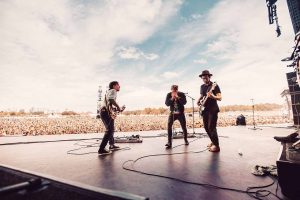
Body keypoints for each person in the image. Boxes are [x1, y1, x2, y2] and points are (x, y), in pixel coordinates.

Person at [197, 70, 222, 152]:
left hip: (213, 109)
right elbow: (202, 95)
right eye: (203, 78)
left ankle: (217, 146)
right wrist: (198, 101)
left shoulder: (214, 85)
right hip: (205, 109)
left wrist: (212, 96)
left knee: (211, 127)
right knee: (206, 127)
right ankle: (213, 142)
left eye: (206, 78)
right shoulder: (202, 86)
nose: (204, 79)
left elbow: (220, 98)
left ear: (209, 77)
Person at [98, 81, 125, 155]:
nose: (119, 86)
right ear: (114, 86)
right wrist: (118, 107)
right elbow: (111, 100)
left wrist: (117, 109)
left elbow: (110, 104)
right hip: (105, 112)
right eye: (118, 85)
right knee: (109, 130)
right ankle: (101, 149)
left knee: (111, 129)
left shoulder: (110, 91)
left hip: (107, 112)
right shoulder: (113, 91)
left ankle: (112, 145)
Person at [165, 85, 189, 149]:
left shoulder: (181, 94)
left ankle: (186, 140)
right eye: (173, 90)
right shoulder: (169, 95)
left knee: (184, 127)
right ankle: (169, 142)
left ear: (177, 89)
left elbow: (184, 102)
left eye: (175, 90)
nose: (174, 91)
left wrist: (178, 97)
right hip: (172, 113)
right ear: (171, 90)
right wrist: (172, 98)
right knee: (169, 126)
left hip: (180, 113)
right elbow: (167, 104)